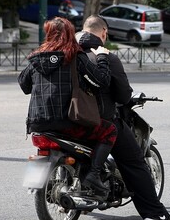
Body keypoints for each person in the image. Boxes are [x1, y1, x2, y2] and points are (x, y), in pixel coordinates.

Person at [75, 15, 170, 220]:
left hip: (69, 120)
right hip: (101, 120)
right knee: (134, 162)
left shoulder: (68, 53)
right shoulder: (107, 57)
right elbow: (122, 96)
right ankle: (153, 213)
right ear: (104, 33)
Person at [18, 17, 116, 196]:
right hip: (69, 124)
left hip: (39, 125)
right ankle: (93, 175)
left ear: (48, 34)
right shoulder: (74, 56)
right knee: (109, 130)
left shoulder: (35, 59)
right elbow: (102, 81)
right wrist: (102, 57)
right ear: (71, 34)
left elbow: (24, 86)